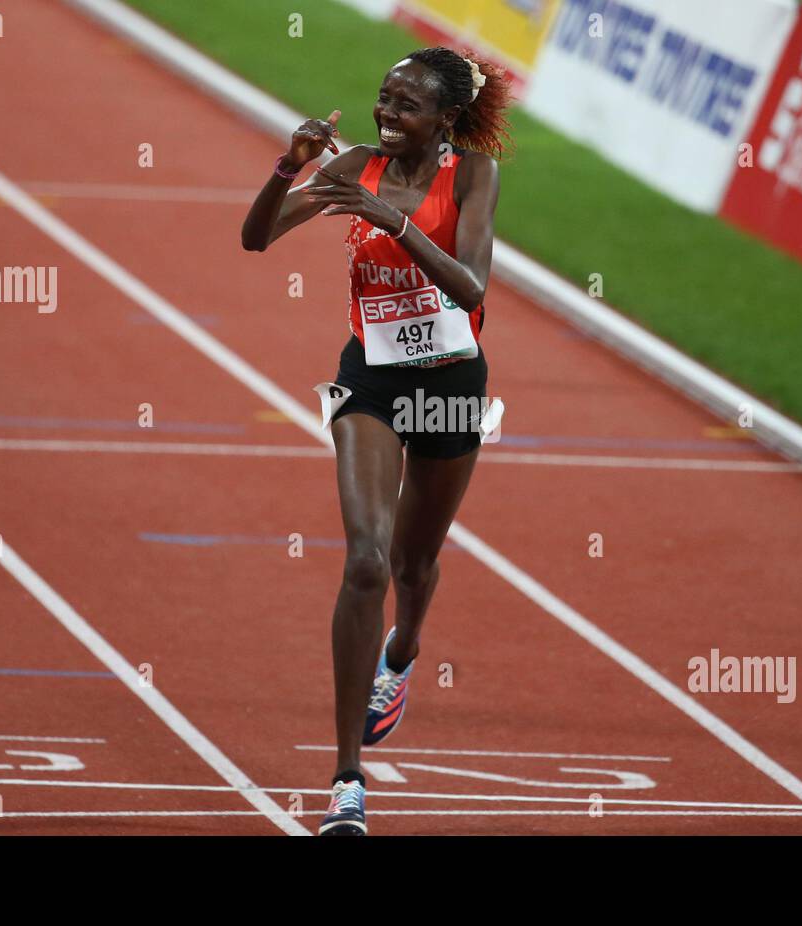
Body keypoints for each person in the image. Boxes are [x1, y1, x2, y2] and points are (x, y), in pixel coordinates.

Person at [240, 46, 513, 835]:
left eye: (407, 107)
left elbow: (471, 289)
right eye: (383, 101)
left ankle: (404, 653)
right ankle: (346, 782)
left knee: (413, 565)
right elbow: (258, 239)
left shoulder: (472, 178)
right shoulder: (352, 166)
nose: (388, 116)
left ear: (447, 120)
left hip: (452, 385)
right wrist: (286, 168)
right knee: (365, 561)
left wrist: (395, 222)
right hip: (372, 381)